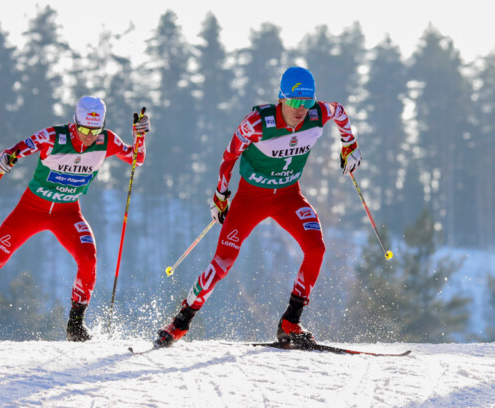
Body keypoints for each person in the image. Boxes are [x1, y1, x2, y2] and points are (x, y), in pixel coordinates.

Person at [155, 66, 361, 347]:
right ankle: (180, 323)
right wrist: (220, 195)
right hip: (250, 200)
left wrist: (349, 144)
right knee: (222, 262)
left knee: (317, 247)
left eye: (307, 102)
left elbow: (339, 111)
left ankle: (291, 321)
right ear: (282, 98)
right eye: (295, 102)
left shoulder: (317, 114)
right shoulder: (257, 123)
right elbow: (229, 157)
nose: (302, 109)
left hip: (289, 196)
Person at [0, 96, 149, 341]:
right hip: (30, 211)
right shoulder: (53, 137)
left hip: (67, 213)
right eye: (82, 129)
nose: (88, 136)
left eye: (94, 130)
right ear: (74, 122)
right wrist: (6, 158)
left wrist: (139, 136)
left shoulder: (107, 140)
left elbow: (137, 159)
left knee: (89, 259)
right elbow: (15, 150)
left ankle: (76, 325)